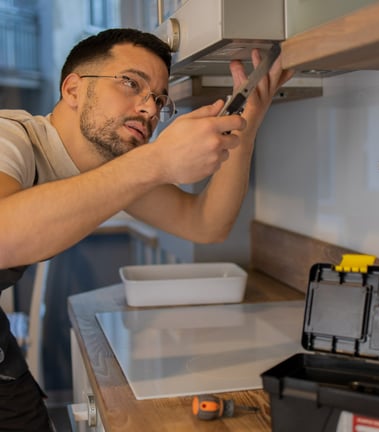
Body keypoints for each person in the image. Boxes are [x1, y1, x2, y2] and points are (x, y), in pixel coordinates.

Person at [0, 28, 293, 430]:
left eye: (158, 98)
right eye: (130, 82)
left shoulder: (112, 169)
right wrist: (156, 160)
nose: (149, 108)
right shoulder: (10, 138)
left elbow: (205, 224)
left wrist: (247, 126)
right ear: (73, 90)